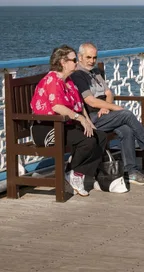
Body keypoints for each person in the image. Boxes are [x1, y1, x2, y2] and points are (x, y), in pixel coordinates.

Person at [71, 43, 144, 186]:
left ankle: (131, 172)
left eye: (94, 57)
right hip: (91, 118)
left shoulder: (95, 72)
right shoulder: (78, 75)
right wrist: (113, 107)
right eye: (88, 57)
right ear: (80, 57)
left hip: (104, 113)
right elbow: (90, 101)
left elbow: (108, 93)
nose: (91, 61)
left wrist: (107, 107)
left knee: (126, 130)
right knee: (126, 114)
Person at [30, 45, 107, 197]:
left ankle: (75, 173)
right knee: (88, 141)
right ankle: (74, 174)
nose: (76, 63)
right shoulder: (53, 80)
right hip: (47, 127)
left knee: (100, 137)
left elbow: (79, 104)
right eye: (73, 60)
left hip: (65, 124)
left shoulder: (69, 81)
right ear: (63, 62)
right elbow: (57, 106)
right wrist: (79, 118)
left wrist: (87, 120)